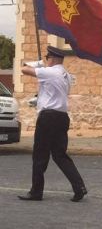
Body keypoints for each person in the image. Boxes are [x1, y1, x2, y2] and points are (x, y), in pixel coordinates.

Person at [18, 46, 87, 202]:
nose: (46, 60)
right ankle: (79, 187)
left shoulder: (49, 72)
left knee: (39, 155)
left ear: (53, 59)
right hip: (62, 117)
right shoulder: (66, 75)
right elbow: (51, 91)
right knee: (60, 155)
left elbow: (23, 69)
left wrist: (37, 65)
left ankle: (36, 192)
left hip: (48, 118)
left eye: (47, 58)